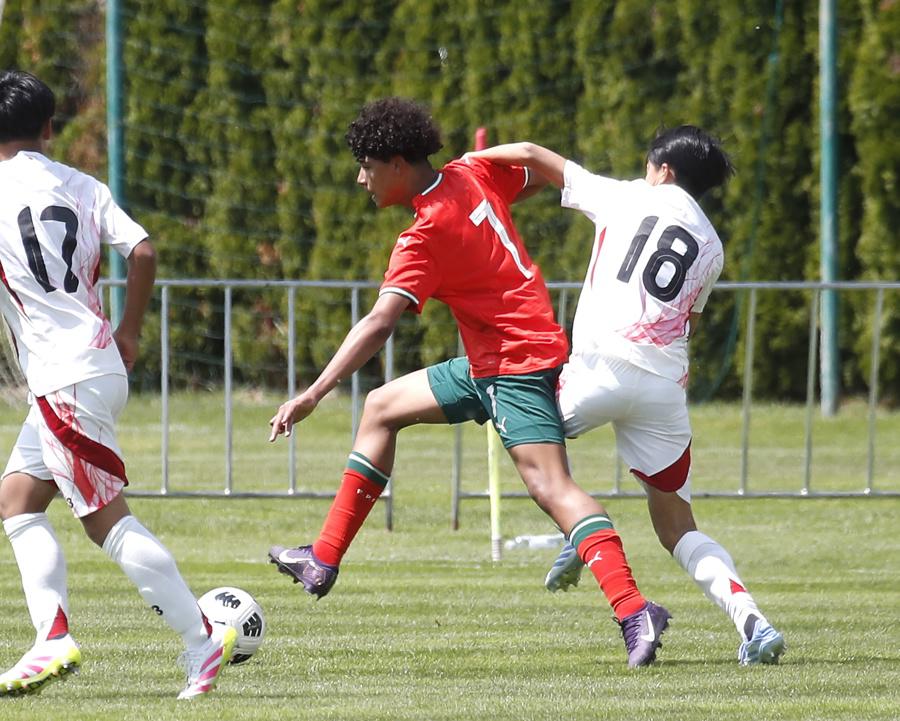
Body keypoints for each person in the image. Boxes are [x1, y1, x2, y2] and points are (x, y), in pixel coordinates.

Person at [267, 97, 670, 668]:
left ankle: (634, 610)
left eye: (367, 166)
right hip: (495, 361)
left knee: (552, 489)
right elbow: (535, 174)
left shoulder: (423, 235)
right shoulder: (471, 173)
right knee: (381, 407)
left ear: (399, 164)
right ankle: (323, 558)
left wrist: (313, 393)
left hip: (513, 365)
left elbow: (379, 321)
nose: (361, 179)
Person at [465, 127, 786, 666]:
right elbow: (689, 321)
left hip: (598, 371)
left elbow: (531, 154)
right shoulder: (712, 245)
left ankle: (580, 527)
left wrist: (463, 165)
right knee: (678, 528)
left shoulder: (627, 196)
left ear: (664, 170)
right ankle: (753, 622)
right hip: (662, 389)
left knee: (531, 440)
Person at [0, 70, 235, 699]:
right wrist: (129, 331)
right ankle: (50, 637)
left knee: (106, 522)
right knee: (17, 500)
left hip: (65, 378)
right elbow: (144, 251)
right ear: (50, 129)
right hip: (94, 364)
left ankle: (201, 638)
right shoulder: (84, 185)